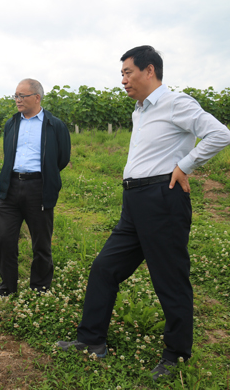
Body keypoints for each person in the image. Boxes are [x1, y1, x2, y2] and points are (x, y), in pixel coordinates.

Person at [57, 45, 230, 380]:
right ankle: (91, 340)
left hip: (162, 199)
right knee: (105, 267)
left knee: (169, 279)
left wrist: (185, 165)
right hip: (134, 202)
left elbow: (220, 134)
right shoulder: (140, 110)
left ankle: (176, 355)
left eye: (127, 72)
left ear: (149, 70)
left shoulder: (175, 103)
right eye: (122, 73)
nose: (123, 79)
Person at [0, 78, 71, 296]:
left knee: (41, 242)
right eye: (16, 96)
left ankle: (40, 287)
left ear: (37, 98)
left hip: (39, 188)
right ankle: (7, 287)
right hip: (11, 187)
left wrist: (44, 176)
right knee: (6, 241)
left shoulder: (54, 125)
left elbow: (62, 158)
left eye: (22, 96)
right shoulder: (11, 123)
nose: (17, 100)